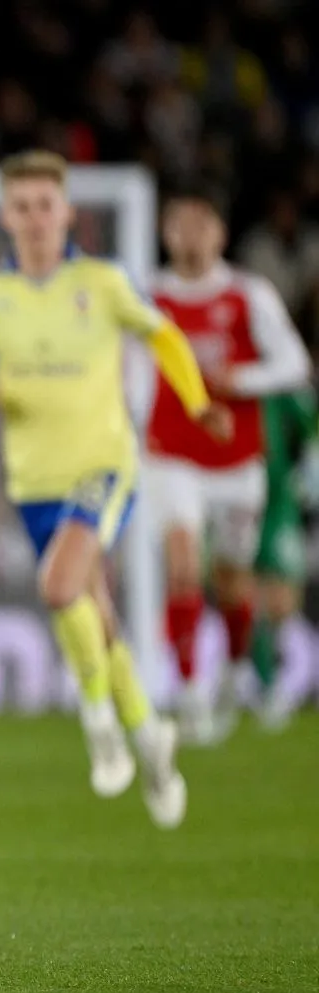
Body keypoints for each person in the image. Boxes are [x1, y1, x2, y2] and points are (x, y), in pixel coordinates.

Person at [0, 152, 212, 829]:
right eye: (24, 206)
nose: (37, 218)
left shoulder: (102, 282)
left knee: (57, 587)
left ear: (67, 211)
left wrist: (194, 405)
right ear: (6, 215)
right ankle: (150, 732)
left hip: (104, 467)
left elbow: (163, 337)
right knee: (91, 607)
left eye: (48, 204)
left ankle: (99, 720)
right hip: (33, 483)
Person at [147, 186, 314, 744]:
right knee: (182, 560)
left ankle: (238, 674)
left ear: (219, 234)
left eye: (202, 224)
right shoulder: (148, 295)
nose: (191, 235)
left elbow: (294, 363)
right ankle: (189, 690)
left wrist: (240, 380)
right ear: (166, 234)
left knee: (232, 578)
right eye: (180, 224)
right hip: (172, 454)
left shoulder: (248, 294)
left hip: (238, 460)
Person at [250, 386, 319, 730]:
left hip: (280, 501)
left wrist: (304, 478)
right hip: (242, 492)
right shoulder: (234, 377)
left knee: (280, 600)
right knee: (249, 596)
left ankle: (280, 685)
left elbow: (310, 429)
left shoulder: (284, 385)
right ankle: (262, 684)